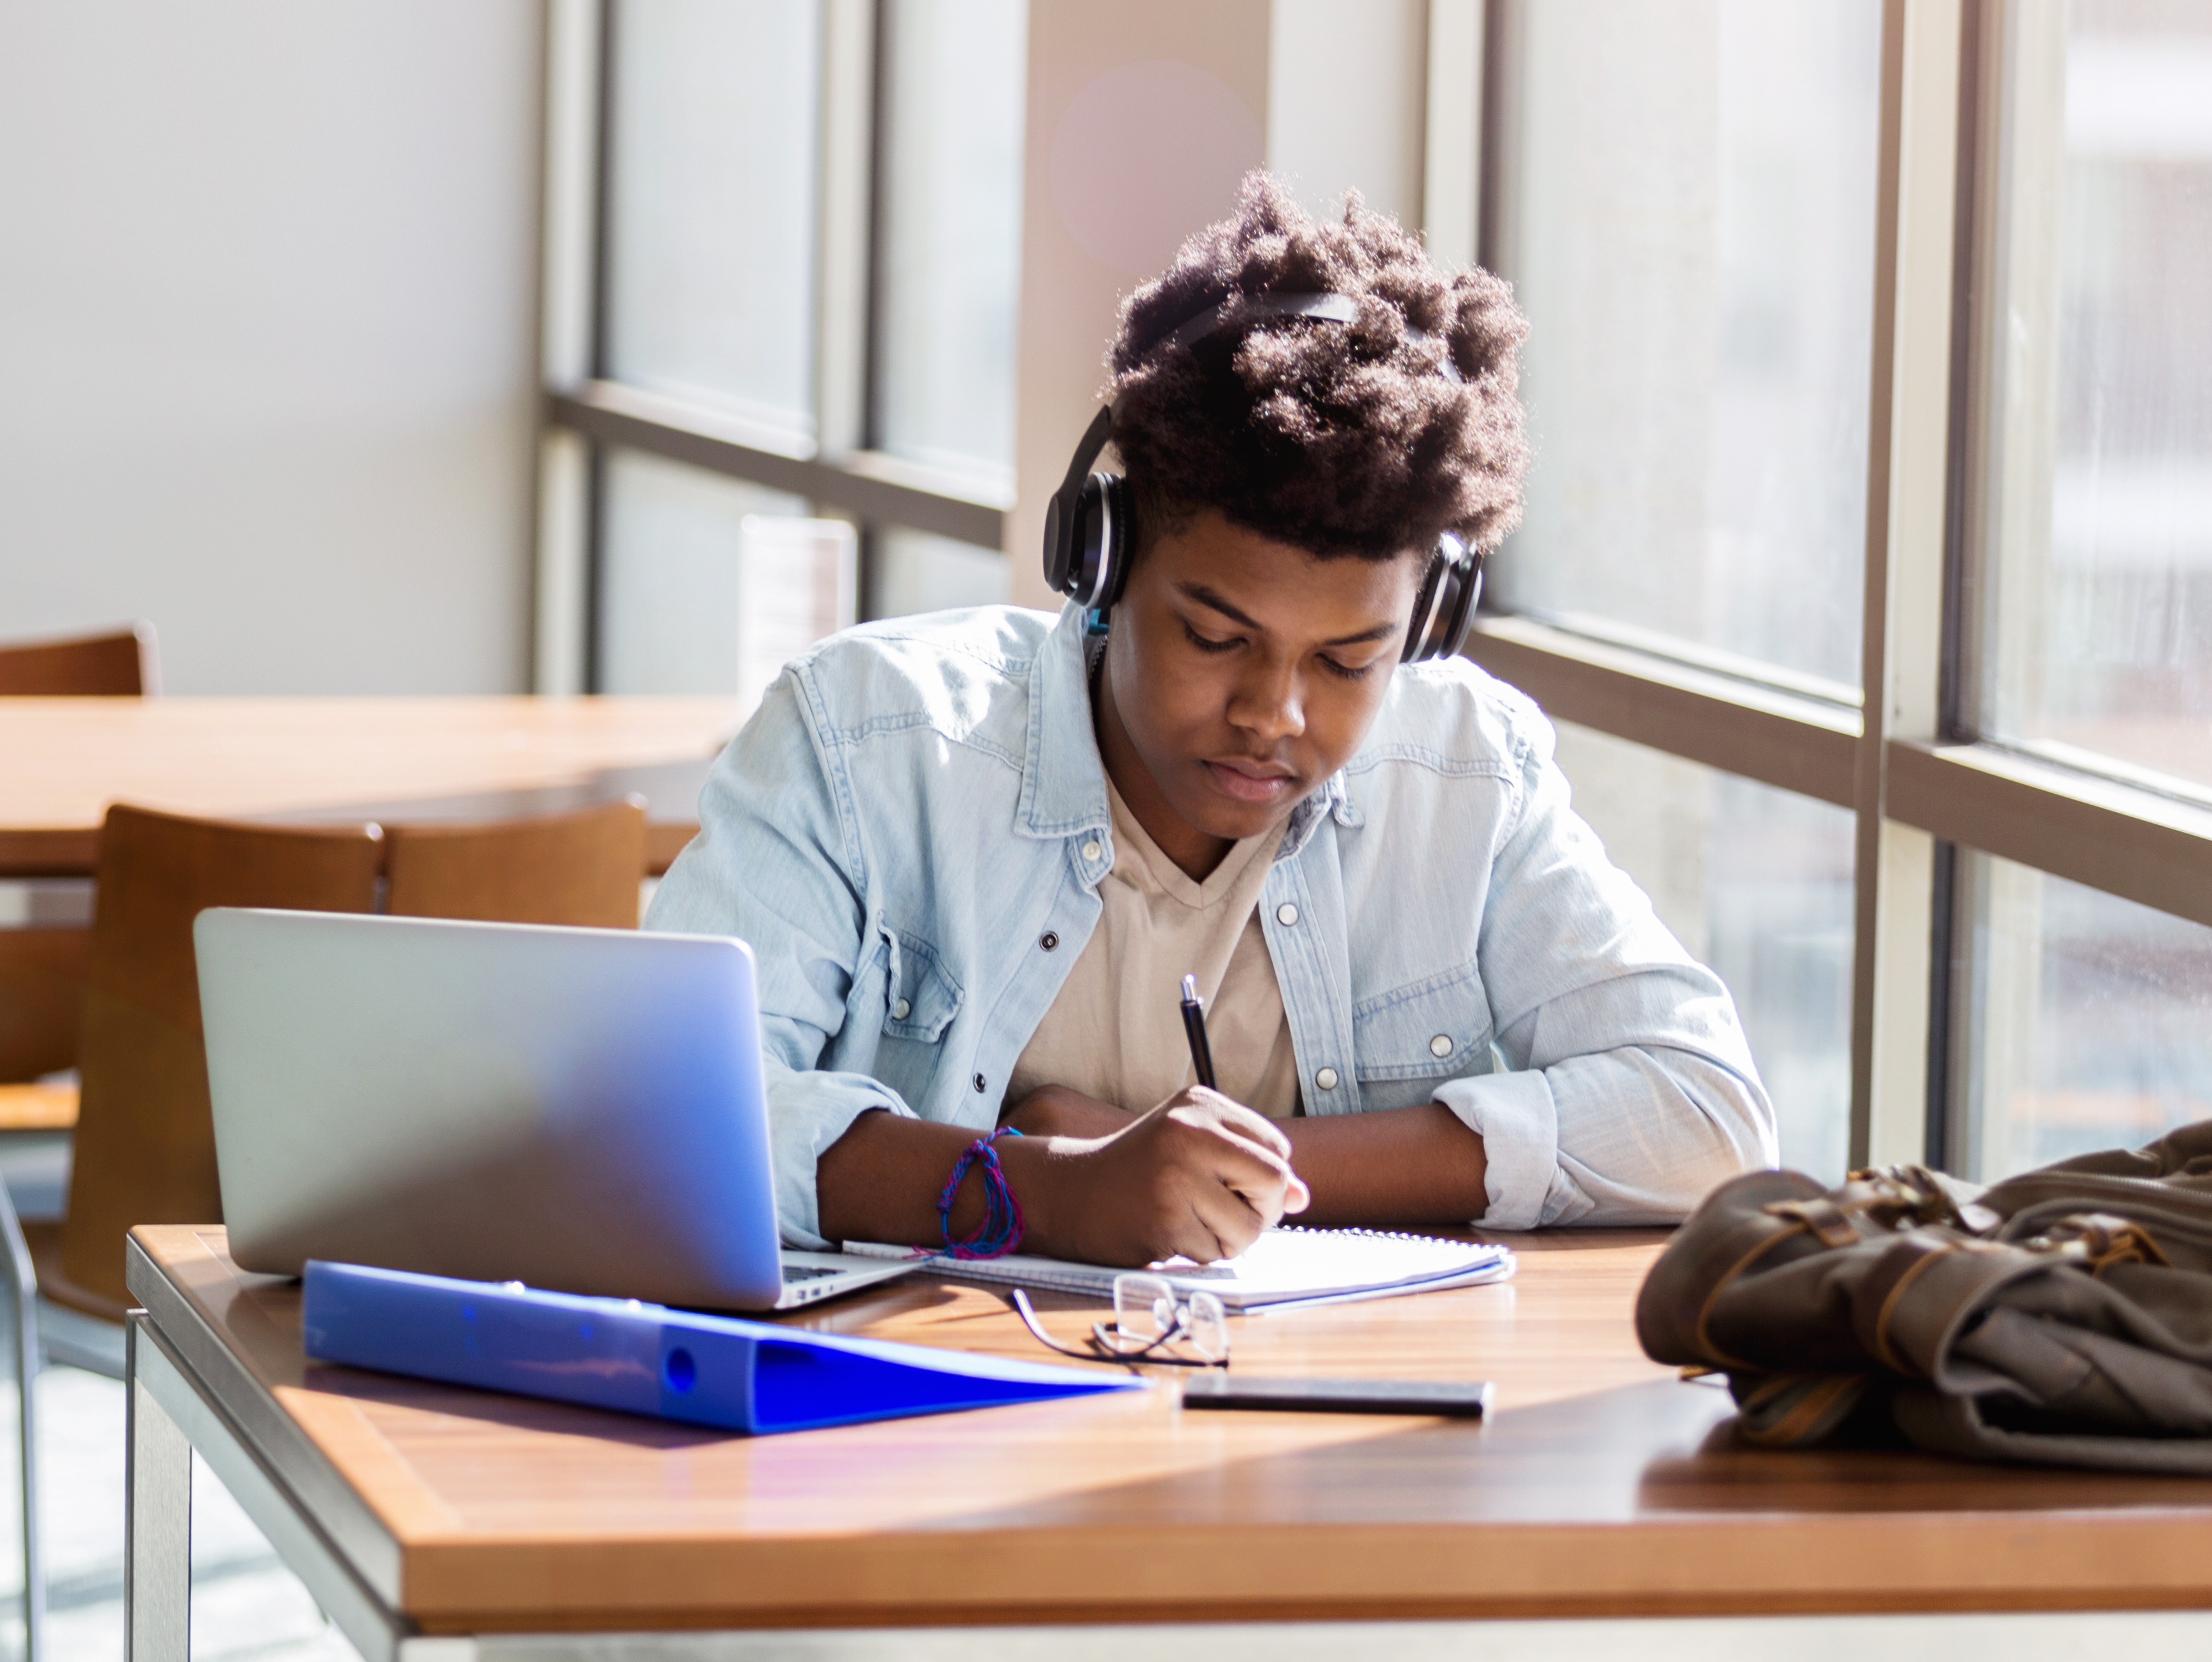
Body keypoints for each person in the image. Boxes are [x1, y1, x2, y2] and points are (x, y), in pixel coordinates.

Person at [645, 175, 1773, 1267]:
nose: (1273, 715)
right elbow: (668, 1129)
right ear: (1104, 560)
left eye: (1349, 660)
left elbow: (1702, 1112)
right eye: (1217, 637)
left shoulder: (1469, 772)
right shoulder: (863, 739)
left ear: (1424, 625)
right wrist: (1048, 1190)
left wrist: (1248, 1175)